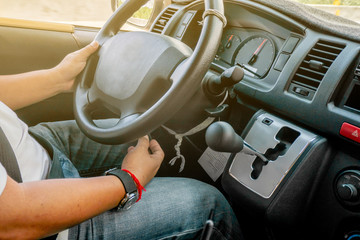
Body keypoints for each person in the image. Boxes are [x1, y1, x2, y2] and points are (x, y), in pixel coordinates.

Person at [0, 41, 242, 240]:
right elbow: (13, 219)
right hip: (42, 219)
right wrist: (128, 181)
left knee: (146, 135)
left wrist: (58, 78)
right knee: (209, 205)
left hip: (28, 147)